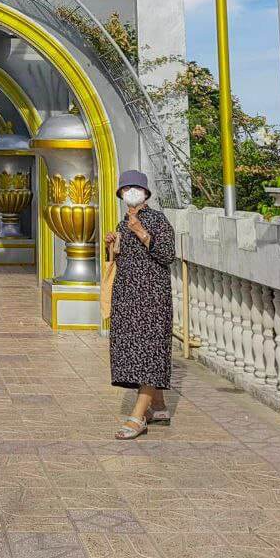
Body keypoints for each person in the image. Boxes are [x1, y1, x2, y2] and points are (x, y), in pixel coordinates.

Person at [104, 169, 175, 440]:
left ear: (145, 193)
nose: (130, 192)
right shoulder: (123, 223)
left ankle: (137, 417)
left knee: (148, 352)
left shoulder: (157, 220)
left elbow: (167, 254)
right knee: (132, 349)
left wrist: (142, 232)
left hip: (152, 297)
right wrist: (114, 245)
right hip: (128, 297)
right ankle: (156, 405)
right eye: (126, 188)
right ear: (121, 194)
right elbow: (123, 260)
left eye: (136, 188)